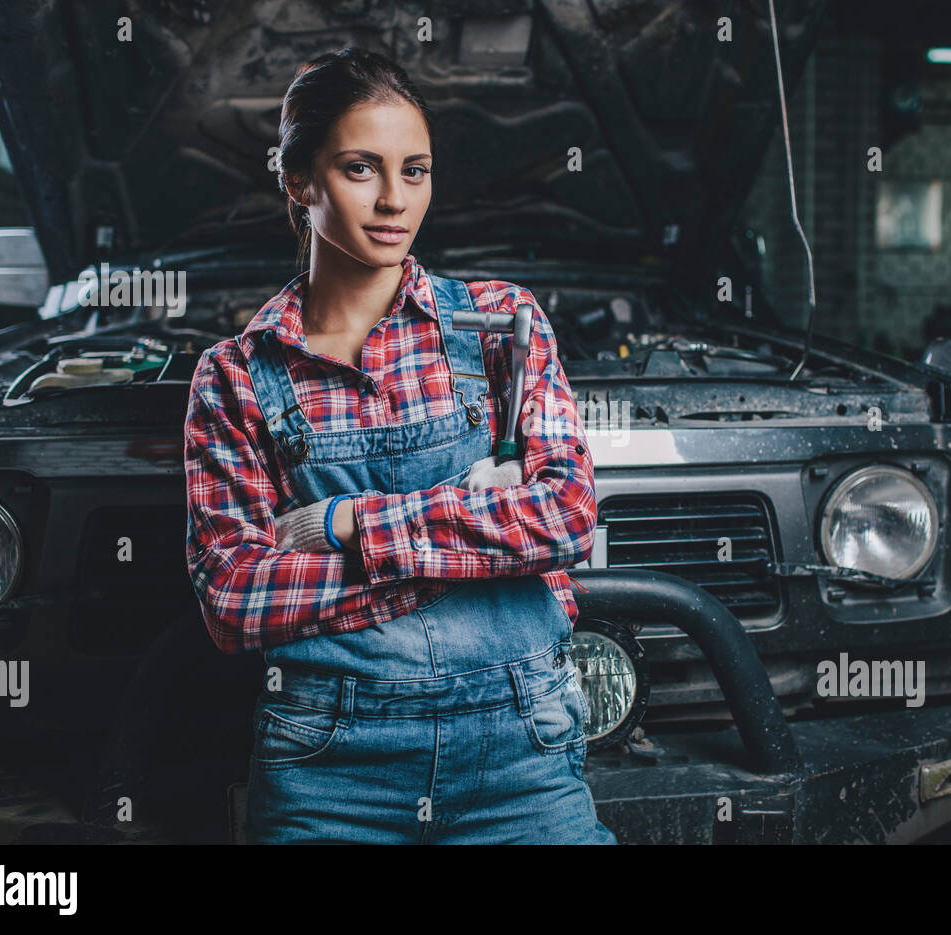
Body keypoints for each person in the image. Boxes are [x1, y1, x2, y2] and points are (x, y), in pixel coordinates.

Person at [183, 47, 616, 845]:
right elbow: (235, 596)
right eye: (359, 168)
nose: (394, 200)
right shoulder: (236, 376)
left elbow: (565, 516)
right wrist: (467, 553)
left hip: (521, 749)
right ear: (298, 181)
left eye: (415, 170)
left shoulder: (500, 323)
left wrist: (349, 524)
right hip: (326, 760)